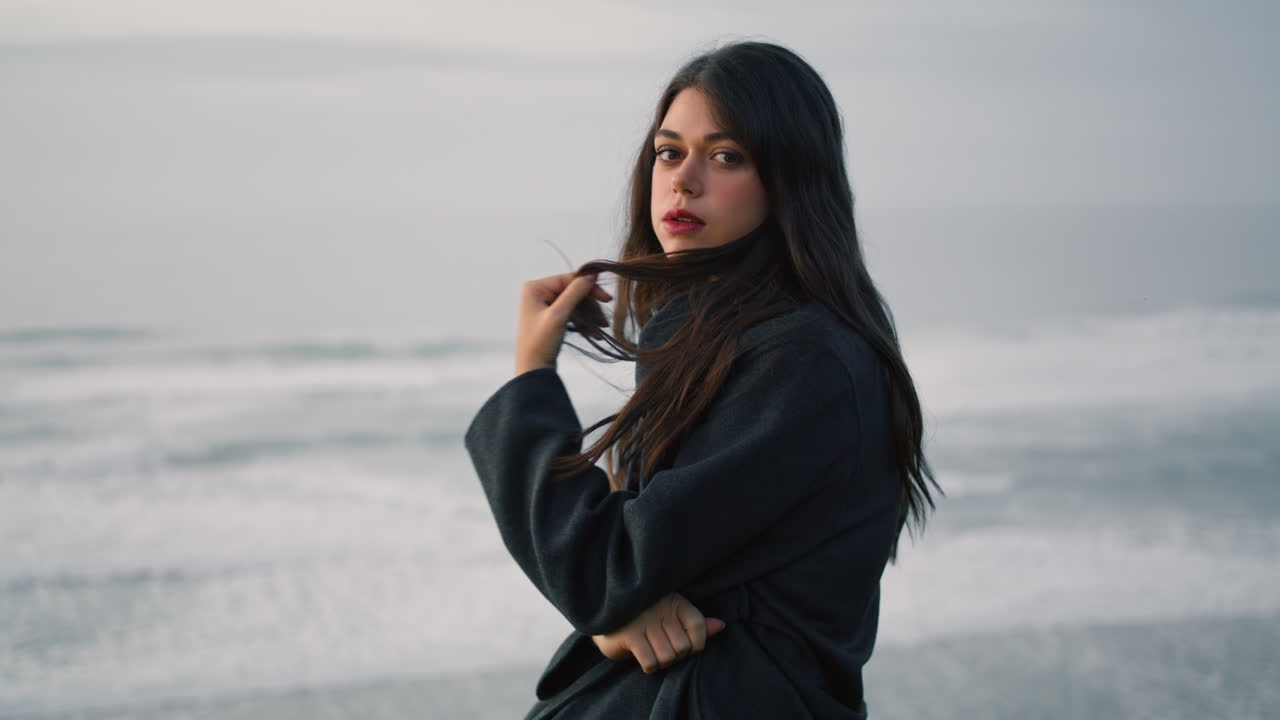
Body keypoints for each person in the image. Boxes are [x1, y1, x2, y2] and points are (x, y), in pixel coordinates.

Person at [464, 40, 940, 719]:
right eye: (668, 152)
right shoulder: (707, 337)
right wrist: (616, 611)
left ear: (790, 180)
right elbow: (622, 569)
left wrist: (531, 378)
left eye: (726, 157)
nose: (683, 180)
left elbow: (608, 566)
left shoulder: (805, 360)